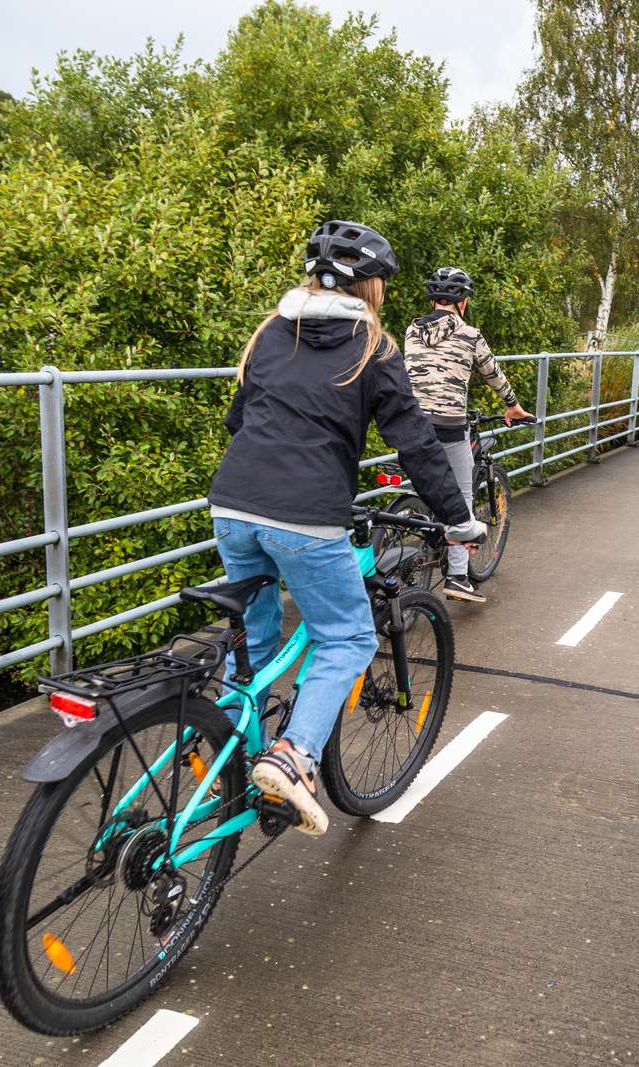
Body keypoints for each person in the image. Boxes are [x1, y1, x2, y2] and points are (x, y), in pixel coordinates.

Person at [208, 220, 483, 837]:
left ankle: (222, 746)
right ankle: (294, 756)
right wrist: (458, 520)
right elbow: (415, 442)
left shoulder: (269, 332)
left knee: (254, 639)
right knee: (347, 638)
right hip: (305, 515)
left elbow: (239, 421)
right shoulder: (372, 347)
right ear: (372, 287)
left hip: (232, 505)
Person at [404, 266, 530, 603]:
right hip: (448, 426)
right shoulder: (470, 334)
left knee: (425, 483)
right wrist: (513, 406)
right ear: (463, 302)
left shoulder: (412, 331)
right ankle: (458, 577)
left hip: (411, 425)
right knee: (461, 498)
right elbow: (492, 373)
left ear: (432, 300)